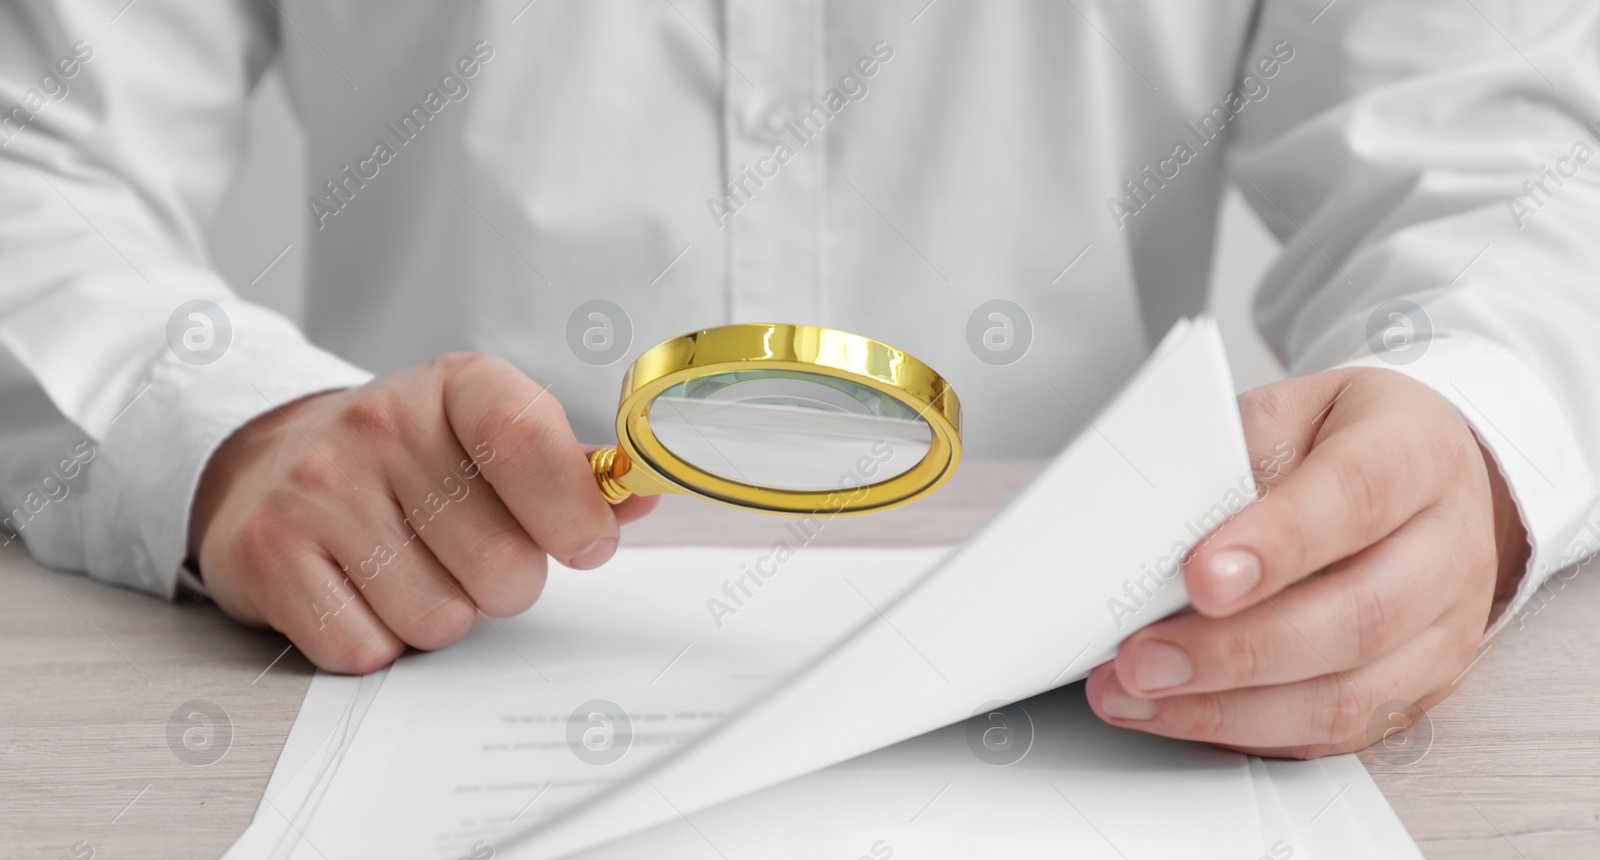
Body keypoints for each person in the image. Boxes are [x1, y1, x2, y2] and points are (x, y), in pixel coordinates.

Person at [2, 2, 1596, 760]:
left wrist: (1471, 434)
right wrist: (222, 428)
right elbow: (33, 154)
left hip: (1121, 689)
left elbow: (1516, 163)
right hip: (416, 658)